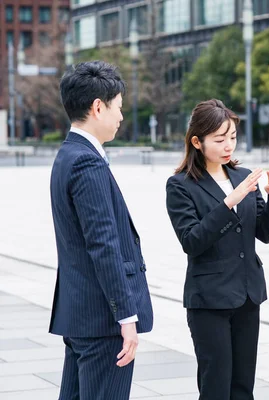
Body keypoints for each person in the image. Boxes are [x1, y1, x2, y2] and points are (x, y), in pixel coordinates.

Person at [165, 99, 269, 399]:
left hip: (248, 293)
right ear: (197, 141)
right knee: (216, 385)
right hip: (209, 300)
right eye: (219, 139)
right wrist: (229, 202)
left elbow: (265, 234)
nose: (228, 145)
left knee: (243, 385)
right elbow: (191, 241)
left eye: (232, 137)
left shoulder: (242, 176)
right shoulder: (180, 185)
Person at [49, 61, 153, 400]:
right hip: (103, 320)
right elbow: (103, 245)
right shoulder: (87, 162)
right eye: (118, 108)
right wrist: (126, 316)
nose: (121, 117)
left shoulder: (66, 155)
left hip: (80, 314)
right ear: (98, 107)